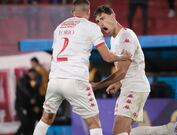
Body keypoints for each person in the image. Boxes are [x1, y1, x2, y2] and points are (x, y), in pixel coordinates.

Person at [33, 0, 131, 135]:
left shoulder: (59, 27)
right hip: (75, 80)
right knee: (94, 122)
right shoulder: (91, 27)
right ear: (89, 12)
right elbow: (107, 57)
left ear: (72, 12)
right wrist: (122, 57)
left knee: (46, 118)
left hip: (55, 80)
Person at [94, 5, 177, 135]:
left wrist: (98, 85)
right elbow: (124, 67)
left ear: (113, 16)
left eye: (103, 18)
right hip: (129, 86)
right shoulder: (113, 39)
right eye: (98, 22)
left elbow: (122, 71)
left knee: (118, 130)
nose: (101, 24)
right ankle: (167, 130)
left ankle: (166, 131)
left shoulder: (126, 36)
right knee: (126, 131)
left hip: (135, 86)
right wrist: (117, 83)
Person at [15, 69, 43, 135]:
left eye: (34, 74)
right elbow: (25, 96)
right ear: (28, 73)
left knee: (31, 123)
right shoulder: (23, 82)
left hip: (29, 106)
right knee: (26, 123)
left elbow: (36, 95)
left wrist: (36, 106)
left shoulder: (34, 82)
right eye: (32, 74)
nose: (33, 75)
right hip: (22, 106)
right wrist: (32, 103)